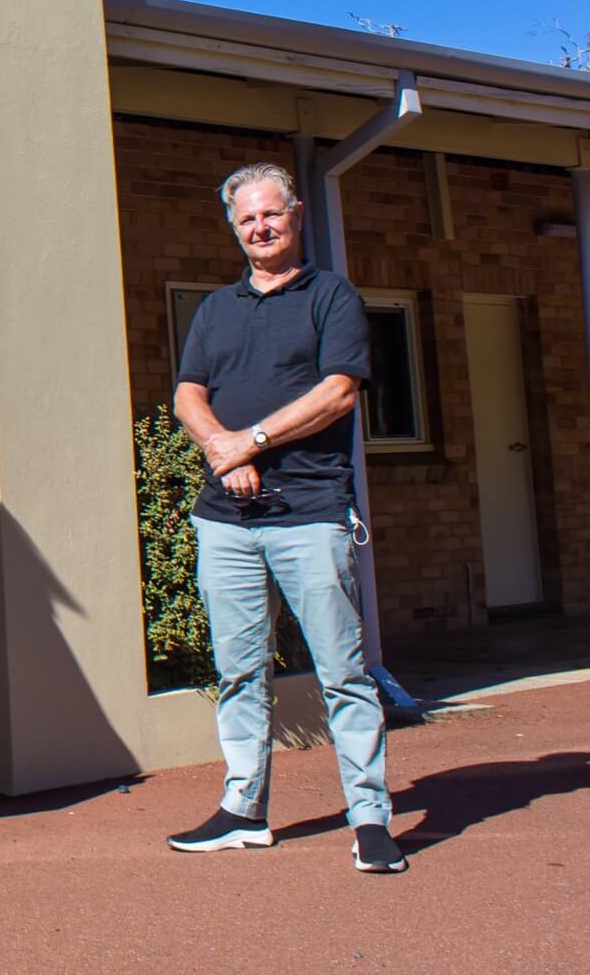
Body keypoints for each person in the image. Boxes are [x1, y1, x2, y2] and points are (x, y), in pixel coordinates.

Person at [166, 162, 404, 873]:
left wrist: (254, 440)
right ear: (234, 228)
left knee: (344, 672)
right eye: (246, 220)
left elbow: (337, 393)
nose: (259, 228)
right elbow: (186, 393)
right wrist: (220, 447)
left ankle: (370, 819)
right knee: (238, 672)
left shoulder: (331, 296)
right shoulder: (216, 308)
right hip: (226, 519)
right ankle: (244, 808)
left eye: (270, 214)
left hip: (310, 512)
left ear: (295, 214)